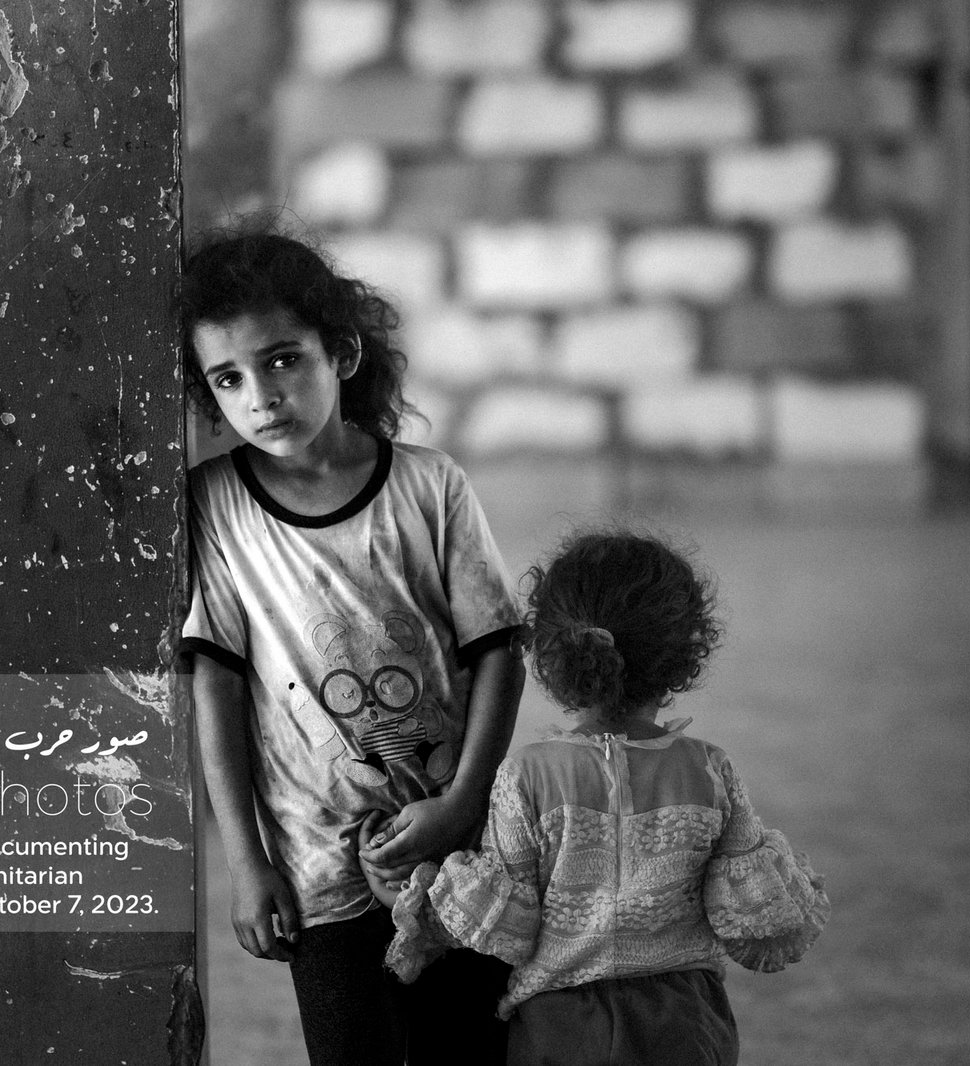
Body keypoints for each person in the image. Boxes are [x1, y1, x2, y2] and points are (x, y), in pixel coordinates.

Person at [178, 227, 526, 1066]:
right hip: (318, 866)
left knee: (468, 1051)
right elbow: (215, 685)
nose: (262, 396)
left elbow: (499, 653)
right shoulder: (215, 506)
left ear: (342, 352)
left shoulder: (429, 485)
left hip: (455, 852)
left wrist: (463, 802)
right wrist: (248, 864)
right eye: (229, 378)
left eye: (283, 360)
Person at [364, 530, 829, 1066]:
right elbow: (751, 918)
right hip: (686, 1022)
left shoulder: (528, 775)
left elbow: (505, 924)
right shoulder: (709, 771)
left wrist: (405, 897)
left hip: (561, 1028)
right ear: (685, 653)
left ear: (553, 653)